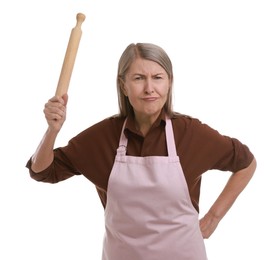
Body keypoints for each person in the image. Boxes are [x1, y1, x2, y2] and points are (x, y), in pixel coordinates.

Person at [26, 42, 257, 260]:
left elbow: (246, 163)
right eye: (138, 78)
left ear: (169, 82)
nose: (149, 88)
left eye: (157, 78)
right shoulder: (102, 137)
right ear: (123, 85)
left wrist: (214, 217)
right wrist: (52, 130)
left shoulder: (190, 134)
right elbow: (42, 171)